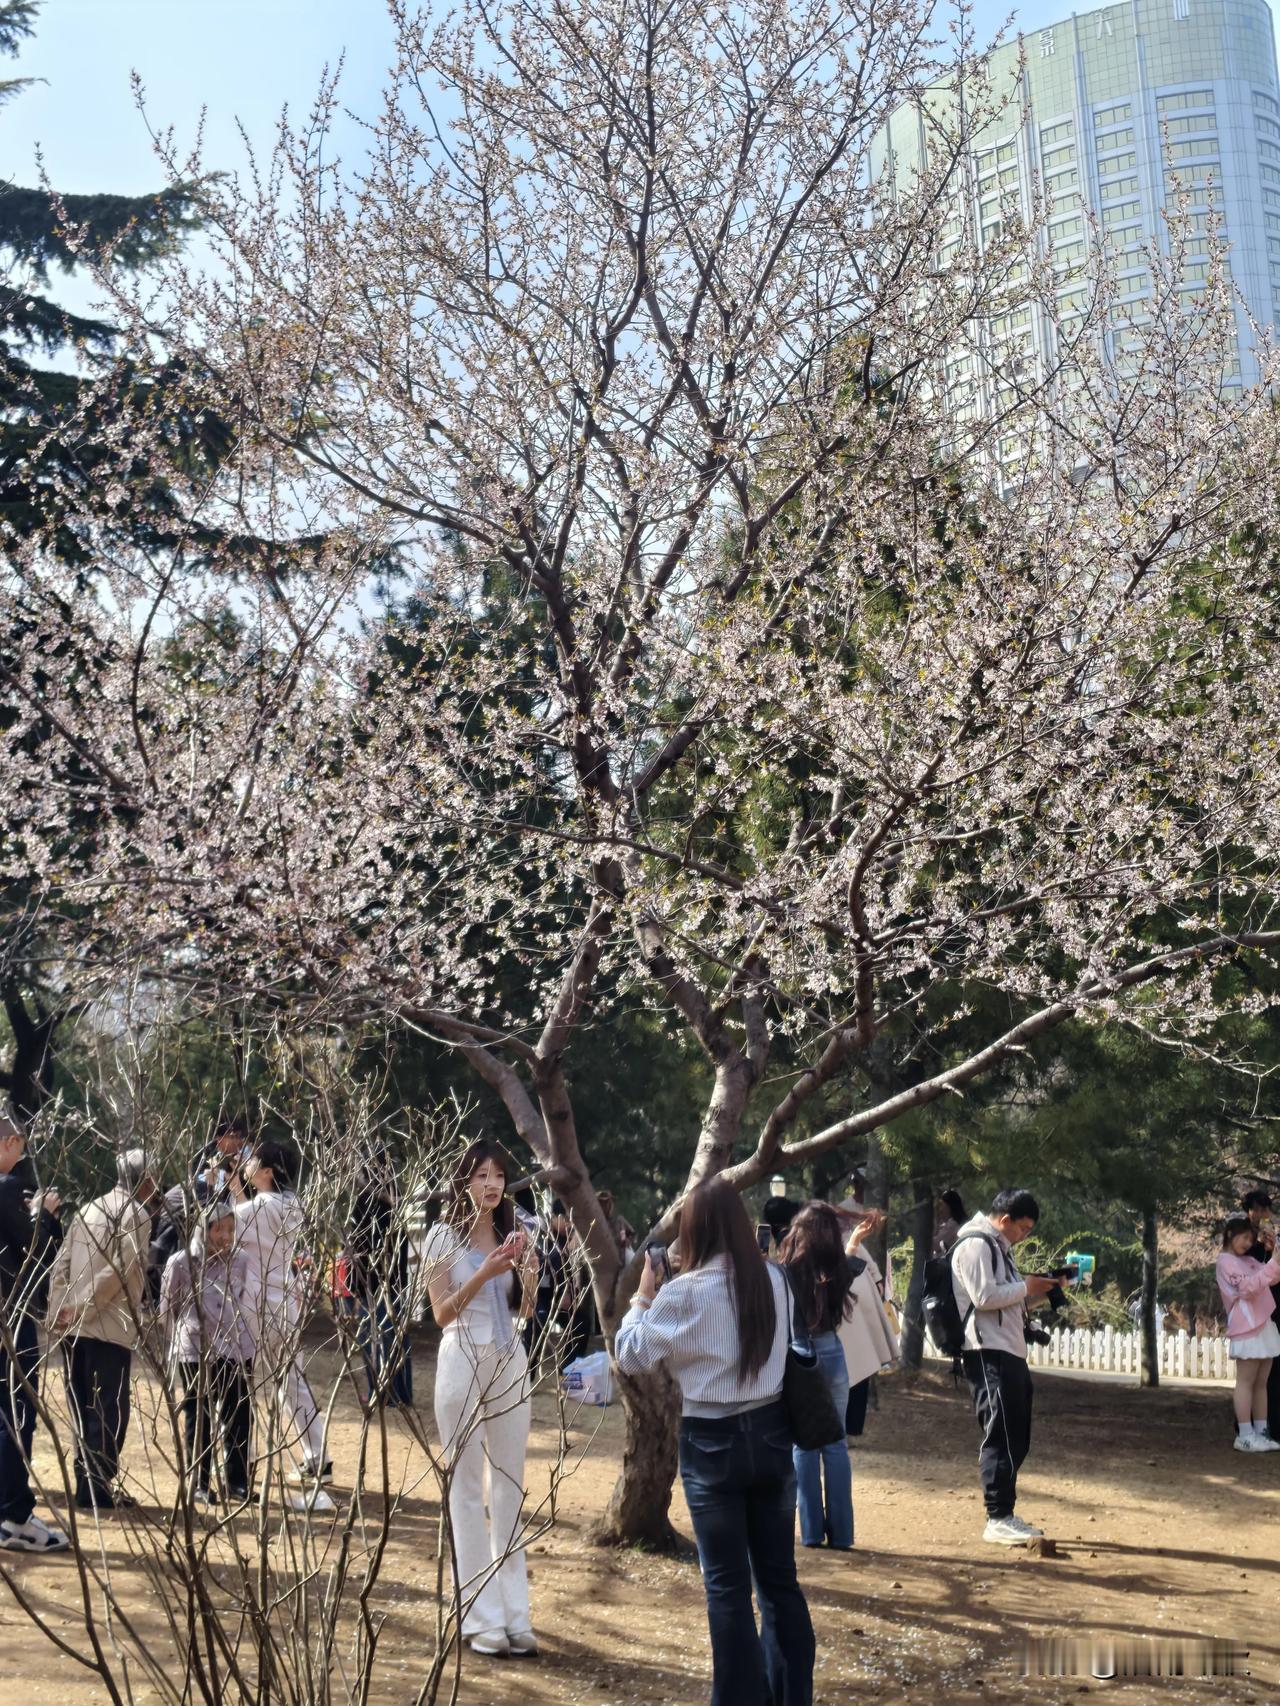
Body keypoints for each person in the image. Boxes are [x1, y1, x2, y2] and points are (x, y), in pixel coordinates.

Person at [616, 1178, 814, 1706]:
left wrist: (643, 1293)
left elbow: (631, 1355)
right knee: (779, 1582)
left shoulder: (683, 1293)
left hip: (711, 1443)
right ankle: (791, 1695)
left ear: (693, 1230)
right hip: (773, 1434)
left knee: (727, 1588)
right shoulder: (775, 1280)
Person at [422, 1140, 539, 1659]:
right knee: (467, 1490)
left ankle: (515, 1614)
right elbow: (441, 1314)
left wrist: (529, 1274)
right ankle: (480, 1615)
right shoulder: (440, 1238)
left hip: (510, 1357)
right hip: (461, 1358)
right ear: (463, 1182)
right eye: (480, 1174)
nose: (491, 1183)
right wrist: (486, 1272)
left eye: (498, 1175)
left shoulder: (517, 1233)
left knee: (509, 1488)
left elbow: (526, 1311)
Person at [46, 1148, 158, 1512]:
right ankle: (96, 1487)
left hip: (74, 1325)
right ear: (146, 1179)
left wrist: (61, 1308)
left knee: (82, 1404)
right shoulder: (137, 1214)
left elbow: (61, 1263)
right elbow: (120, 1269)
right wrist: (84, 1308)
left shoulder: (88, 1208)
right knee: (108, 1409)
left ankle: (90, 1485)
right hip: (107, 1324)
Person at [950, 1188, 1061, 1546]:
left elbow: (1008, 1298)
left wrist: (1042, 1289)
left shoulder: (1000, 1249)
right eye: (1023, 1228)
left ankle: (1006, 1513)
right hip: (987, 1351)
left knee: (1016, 1434)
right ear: (1005, 1220)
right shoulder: (976, 1244)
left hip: (1008, 1350)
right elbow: (983, 1297)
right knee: (1000, 1433)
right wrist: (1026, 1286)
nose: (1024, 1235)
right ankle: (997, 1516)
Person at [230, 1139, 330, 1488]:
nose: (247, 1164)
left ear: (267, 1171)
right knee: (292, 1381)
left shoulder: (258, 1208)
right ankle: (318, 1456)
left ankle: (237, 1459)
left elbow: (227, 1227)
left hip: (254, 1302)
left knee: (237, 1379)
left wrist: (222, 1188)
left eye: (254, 1161)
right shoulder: (291, 1204)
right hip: (284, 1300)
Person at [0, 1113, 68, 1552]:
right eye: (19, 1140)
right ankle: (15, 1515)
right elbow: (36, 1251)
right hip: (11, 1315)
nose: (22, 1148)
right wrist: (44, 1214)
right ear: (9, 1142)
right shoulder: (6, 1187)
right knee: (16, 1411)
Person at [159, 1202, 255, 1502]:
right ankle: (199, 1484)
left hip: (235, 1347)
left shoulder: (241, 1260)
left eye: (231, 1229)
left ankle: (237, 1483)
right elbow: (168, 1309)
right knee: (197, 1416)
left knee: (239, 1415)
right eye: (218, 1229)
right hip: (194, 1350)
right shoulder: (180, 1262)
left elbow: (243, 1298)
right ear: (204, 1229)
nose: (226, 1236)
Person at [778, 1201, 855, 1550]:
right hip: (833, 1352)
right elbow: (850, 1262)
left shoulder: (787, 1270)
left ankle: (810, 1531)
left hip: (800, 1355)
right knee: (836, 1444)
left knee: (804, 1445)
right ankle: (842, 1534)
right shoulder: (839, 1267)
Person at [347, 1148, 414, 1409]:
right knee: (397, 1340)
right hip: (395, 1284)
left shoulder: (366, 1203)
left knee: (376, 1341)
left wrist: (355, 1287)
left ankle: (383, 1394)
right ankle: (401, 1394)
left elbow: (359, 1249)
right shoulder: (395, 1203)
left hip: (373, 1285)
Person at [1217, 1211, 1280, 1453]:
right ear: (1230, 1234)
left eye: (1250, 1239)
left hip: (1262, 1322)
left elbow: (1270, 1278)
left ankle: (1261, 1432)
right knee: (1246, 1381)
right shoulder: (1225, 1261)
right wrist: (1273, 1263)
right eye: (1243, 1237)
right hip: (1246, 1324)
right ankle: (1244, 1434)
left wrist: (1275, 1255)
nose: (1247, 1243)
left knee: (1261, 1382)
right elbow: (1247, 1288)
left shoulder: (1248, 1260)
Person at [836, 1234, 899, 1442]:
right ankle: (850, 1430)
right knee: (857, 1371)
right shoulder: (847, 1236)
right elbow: (874, 1273)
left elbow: (872, 1271)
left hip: (849, 1310)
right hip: (856, 1308)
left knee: (853, 1373)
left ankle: (848, 1430)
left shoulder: (845, 1238)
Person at [1241, 1188, 1280, 1433]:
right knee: (1252, 1372)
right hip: (1254, 1308)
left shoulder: (1273, 1234)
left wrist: (1272, 1247)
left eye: (1265, 1209)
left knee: (1272, 1369)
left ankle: (1269, 1425)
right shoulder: (1241, 1234)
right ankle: (1246, 1427)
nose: (1260, 1214)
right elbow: (1240, 1265)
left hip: (1275, 1304)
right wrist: (1259, 1246)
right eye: (1256, 1209)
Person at [761, 1175, 801, 1251]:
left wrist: (763, 1251)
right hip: (794, 1246)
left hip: (782, 1246)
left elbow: (764, 1229)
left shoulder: (767, 1206)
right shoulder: (793, 1206)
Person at [932, 1190, 967, 1258]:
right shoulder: (951, 1224)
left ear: (950, 1206)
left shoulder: (952, 1225)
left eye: (942, 1205)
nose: (940, 1210)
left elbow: (934, 1245)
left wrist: (935, 1221)